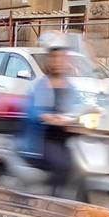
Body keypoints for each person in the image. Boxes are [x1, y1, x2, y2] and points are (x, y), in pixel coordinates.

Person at [21, 35, 80, 195]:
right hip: (45, 138)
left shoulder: (70, 87)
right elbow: (30, 110)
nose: (59, 62)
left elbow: (79, 107)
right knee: (63, 165)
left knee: (84, 165)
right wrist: (45, 117)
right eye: (55, 58)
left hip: (67, 137)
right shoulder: (41, 85)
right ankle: (53, 197)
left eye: (62, 58)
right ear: (50, 61)